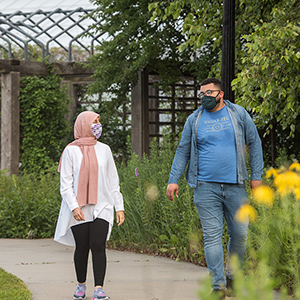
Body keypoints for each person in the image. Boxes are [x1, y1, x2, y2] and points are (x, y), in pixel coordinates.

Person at [166, 78, 263, 299]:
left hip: (236, 185)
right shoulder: (194, 119)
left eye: (208, 93)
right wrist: (174, 179)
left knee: (240, 234)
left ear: (220, 94)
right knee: (212, 236)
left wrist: (256, 176)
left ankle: (233, 276)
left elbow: (254, 142)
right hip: (205, 186)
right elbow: (183, 150)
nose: (204, 97)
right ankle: (218, 286)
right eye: (201, 94)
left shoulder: (238, 114)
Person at [54, 111, 125, 300]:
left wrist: (119, 206)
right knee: (83, 246)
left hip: (102, 205)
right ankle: (81, 285)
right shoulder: (70, 150)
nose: (98, 125)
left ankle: (99, 289)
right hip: (79, 207)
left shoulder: (105, 149)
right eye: (95, 121)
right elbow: (66, 184)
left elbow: (112, 181)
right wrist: (74, 206)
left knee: (98, 245)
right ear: (84, 124)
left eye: (99, 121)